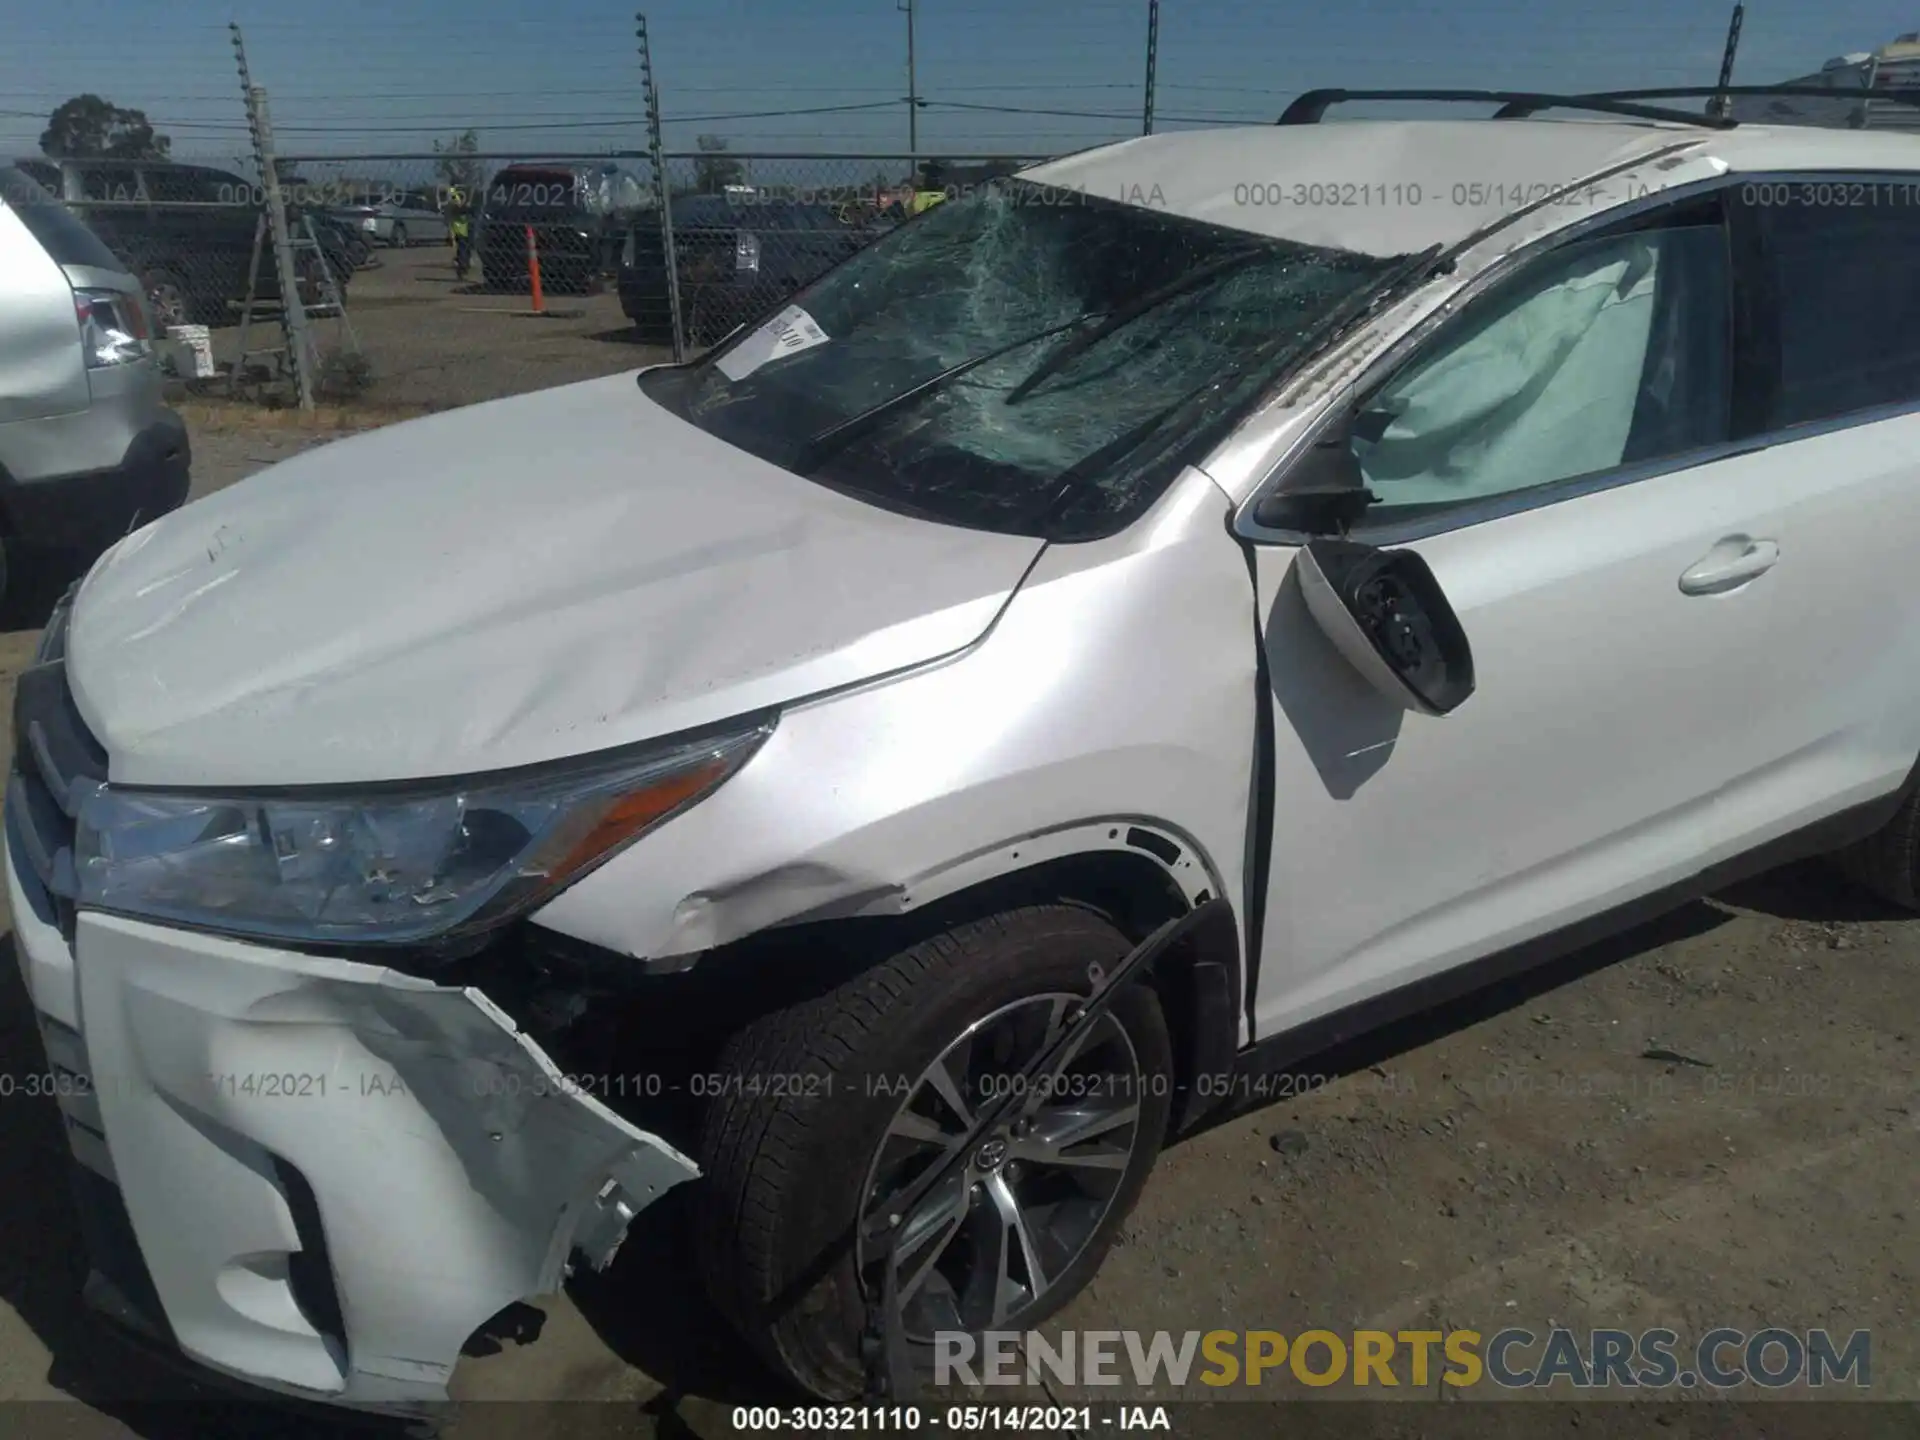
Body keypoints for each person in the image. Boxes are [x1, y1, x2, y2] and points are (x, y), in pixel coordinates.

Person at [446, 184, 474, 281]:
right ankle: (461, 267)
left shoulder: (469, 187)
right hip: (460, 224)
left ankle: (464, 265)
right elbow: (455, 203)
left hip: (467, 223)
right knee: (462, 247)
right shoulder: (455, 190)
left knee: (467, 247)